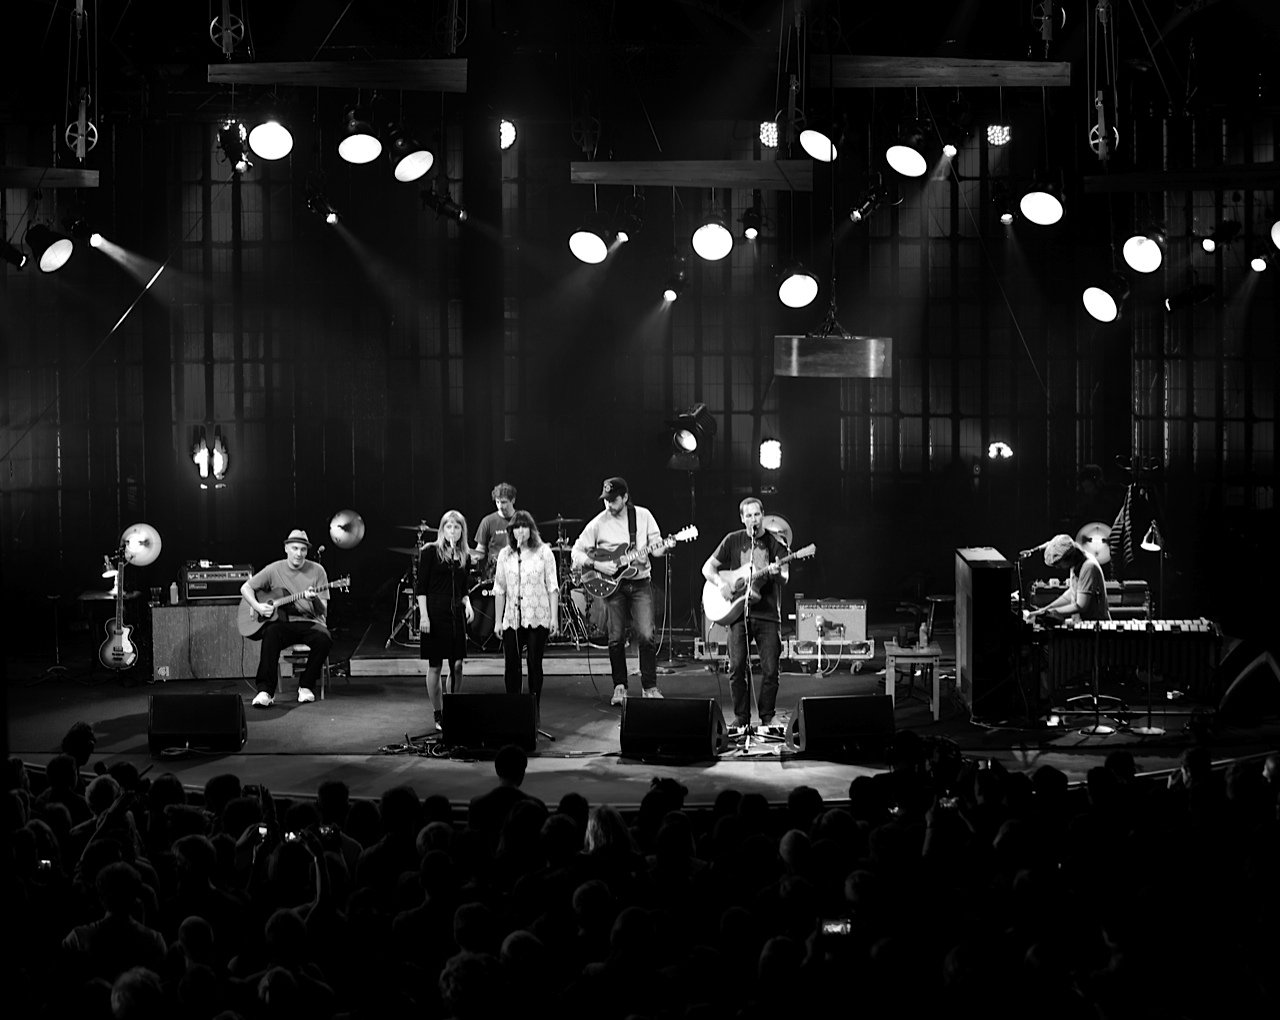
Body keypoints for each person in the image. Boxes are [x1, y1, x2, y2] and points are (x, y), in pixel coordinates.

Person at [571, 476, 666, 704]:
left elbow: (656, 549)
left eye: (613, 500)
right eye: (606, 500)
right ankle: (620, 686)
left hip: (640, 582)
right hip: (613, 586)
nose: (608, 504)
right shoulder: (598, 522)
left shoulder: (643, 516)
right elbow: (576, 552)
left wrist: (664, 547)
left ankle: (650, 687)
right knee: (615, 638)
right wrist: (597, 565)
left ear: (625, 497)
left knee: (647, 635)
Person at [701, 497, 790, 737]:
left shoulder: (775, 543)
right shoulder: (733, 540)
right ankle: (741, 717)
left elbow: (785, 576)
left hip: (768, 614)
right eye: (748, 515)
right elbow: (707, 568)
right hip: (738, 613)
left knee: (771, 668)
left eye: (757, 514)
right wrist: (721, 583)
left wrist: (776, 573)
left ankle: (767, 715)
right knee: (736, 666)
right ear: (742, 518)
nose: (753, 519)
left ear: (763, 515)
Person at [242, 529, 332, 708]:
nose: (299, 553)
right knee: (271, 633)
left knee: (325, 639)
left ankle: (306, 686)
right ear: (286, 548)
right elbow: (246, 588)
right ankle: (266, 691)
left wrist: (314, 600)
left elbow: (323, 611)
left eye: (303, 549)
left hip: (310, 622)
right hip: (284, 623)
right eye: (295, 548)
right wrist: (258, 606)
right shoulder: (274, 569)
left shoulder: (318, 571)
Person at [492, 511, 559, 724]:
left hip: (538, 614)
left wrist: (554, 618)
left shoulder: (544, 552)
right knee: (511, 665)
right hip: (512, 617)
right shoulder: (505, 554)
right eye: (516, 527)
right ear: (511, 531)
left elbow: (553, 586)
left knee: (534, 663)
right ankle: (514, 710)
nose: (520, 531)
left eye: (524, 526)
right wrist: (498, 620)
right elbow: (499, 588)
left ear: (531, 529)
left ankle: (533, 710)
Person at [416, 510, 476, 734]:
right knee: (435, 665)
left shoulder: (464, 556)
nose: (452, 531)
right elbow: (421, 587)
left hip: (455, 612)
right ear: (442, 529)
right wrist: (424, 616)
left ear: (462, 531)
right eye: (448, 527)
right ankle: (438, 712)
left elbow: (463, 587)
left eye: (456, 527)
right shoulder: (430, 552)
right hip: (434, 610)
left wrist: (467, 603)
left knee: (457, 664)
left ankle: (453, 708)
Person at [1026, 533, 1111, 623]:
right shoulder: (1076, 564)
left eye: (1059, 563)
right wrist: (1045, 609)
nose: (1057, 567)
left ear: (1070, 557)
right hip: (1081, 623)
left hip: (1095, 626)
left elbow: (1081, 606)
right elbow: (1074, 592)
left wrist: (1048, 613)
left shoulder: (1088, 567)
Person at [474, 482, 519, 574]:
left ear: (513, 500)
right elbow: (481, 549)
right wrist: (472, 556)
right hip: (495, 571)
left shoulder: (523, 519)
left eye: (504, 502)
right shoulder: (487, 521)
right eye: (497, 502)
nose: (500, 506)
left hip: (519, 569)